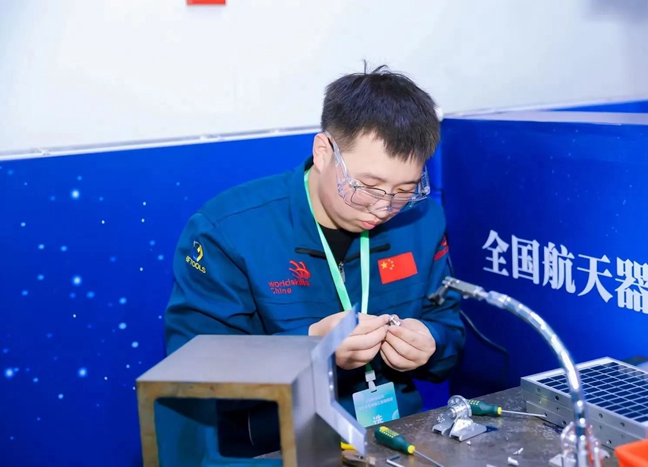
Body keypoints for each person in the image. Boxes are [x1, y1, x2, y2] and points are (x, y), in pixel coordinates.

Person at [162, 64, 466, 463]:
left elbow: (448, 328)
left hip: (392, 439)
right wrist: (305, 349)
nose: (383, 207)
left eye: (405, 190)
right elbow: (192, 373)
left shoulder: (422, 222)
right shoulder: (228, 230)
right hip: (277, 448)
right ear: (324, 152)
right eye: (367, 187)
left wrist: (431, 343)